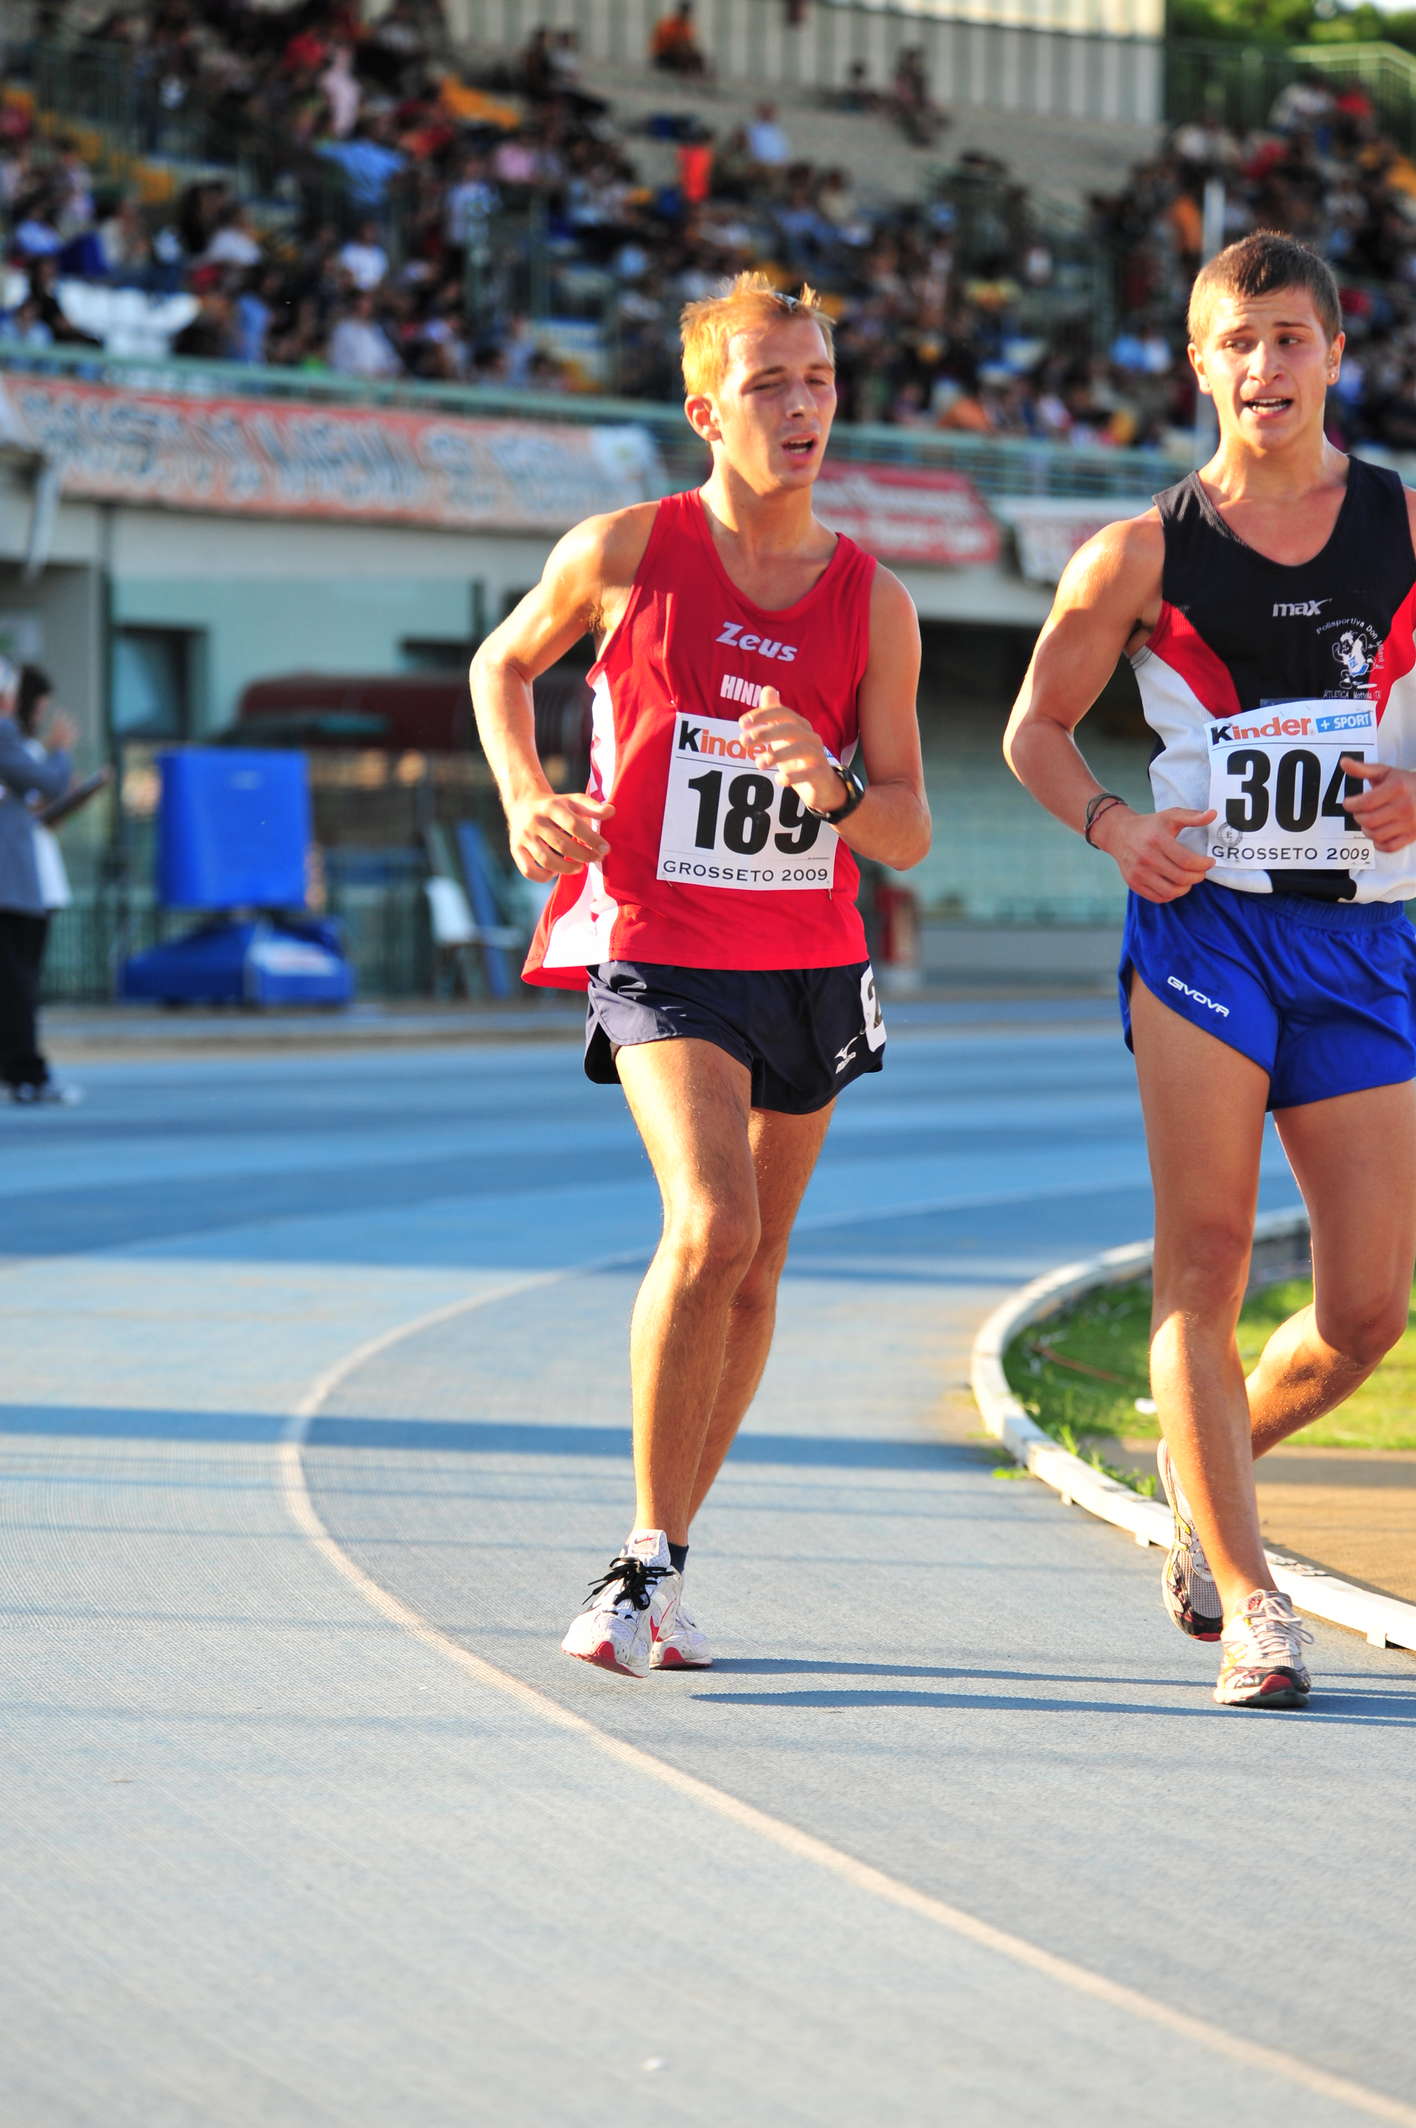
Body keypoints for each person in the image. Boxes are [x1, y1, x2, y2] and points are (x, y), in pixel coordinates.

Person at [471, 272, 929, 1676]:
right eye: (768, 384)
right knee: (713, 1223)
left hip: (810, 953)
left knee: (760, 1260)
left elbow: (908, 828)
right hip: (660, 940)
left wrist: (832, 788)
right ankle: (638, 1558)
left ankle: (667, 1556)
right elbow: (502, 664)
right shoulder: (626, 550)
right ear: (705, 413)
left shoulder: (875, 600)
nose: (800, 408)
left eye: (818, 381)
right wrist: (525, 795)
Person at [1004, 230, 1416, 1712]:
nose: (1265, 367)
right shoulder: (1140, 554)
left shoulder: (1406, 525)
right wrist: (1116, 825)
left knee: (1367, 1310)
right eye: (1237, 343)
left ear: (1334, 354)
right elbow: (1035, 731)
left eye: (1290, 338)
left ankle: (1203, 1463)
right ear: (1199, 365)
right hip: (1209, 929)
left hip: (1365, 937)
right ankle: (1253, 1601)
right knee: (1206, 1253)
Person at [0, 656, 79, 1105]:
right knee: (17, 985)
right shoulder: (4, 733)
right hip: (11, 882)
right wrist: (61, 752)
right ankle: (26, 1074)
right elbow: (48, 784)